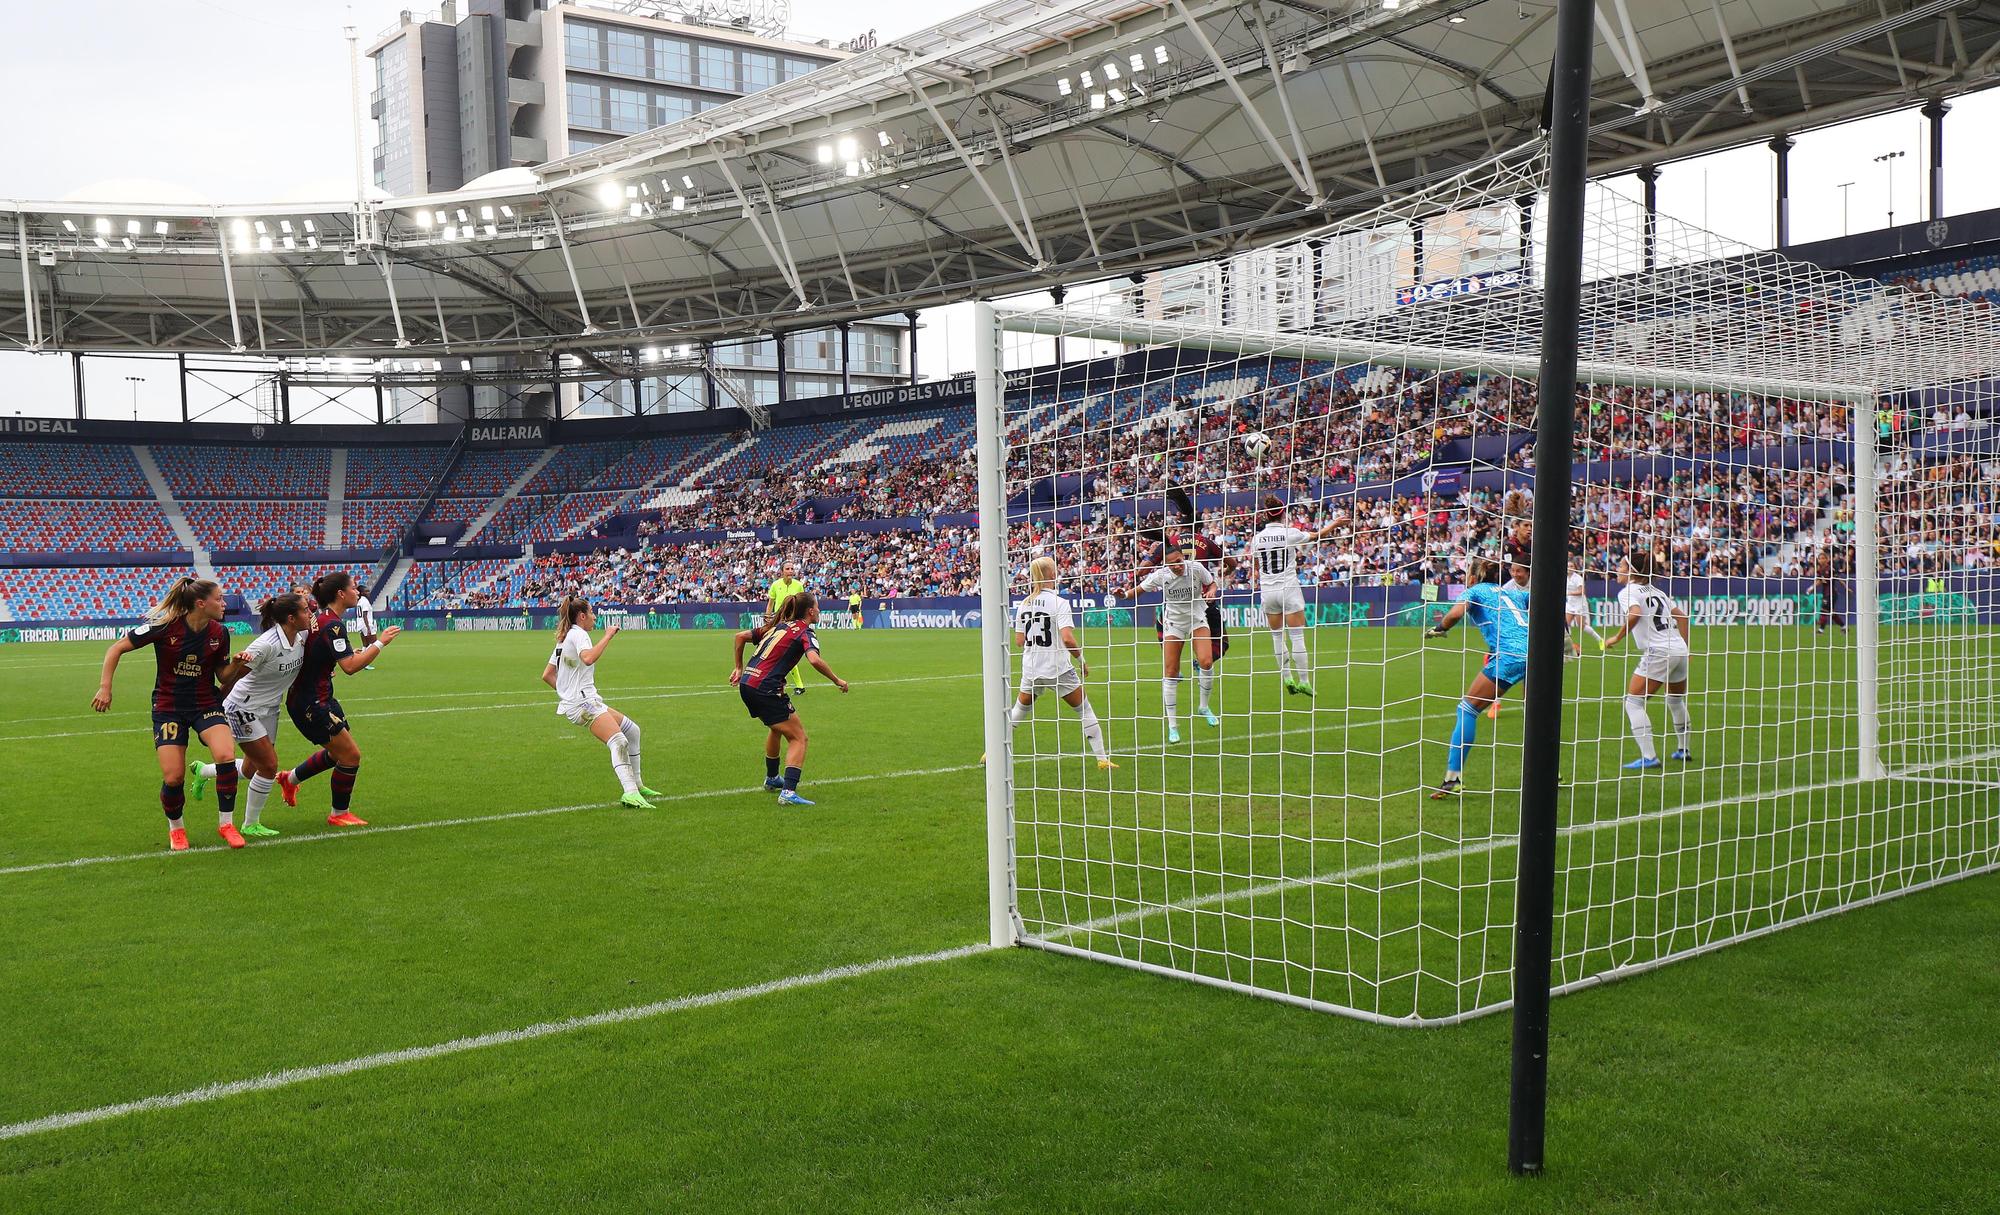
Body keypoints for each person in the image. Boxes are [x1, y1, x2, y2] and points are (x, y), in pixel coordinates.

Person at [90, 576, 244, 851]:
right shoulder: (164, 626)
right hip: (168, 709)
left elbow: (223, 675)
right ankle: (177, 829)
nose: (224, 603)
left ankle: (227, 824)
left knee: (225, 755)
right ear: (200, 603)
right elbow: (116, 648)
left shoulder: (220, 633)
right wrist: (105, 687)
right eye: (219, 598)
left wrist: (238, 667)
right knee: (174, 777)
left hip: (206, 704)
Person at [275, 571, 401, 826]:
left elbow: (319, 653)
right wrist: (380, 643)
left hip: (316, 697)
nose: (358, 592)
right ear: (341, 594)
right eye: (354, 588)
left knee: (337, 754)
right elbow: (351, 667)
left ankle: (289, 780)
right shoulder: (332, 624)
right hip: (312, 703)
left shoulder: (322, 620)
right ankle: (338, 814)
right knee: (351, 756)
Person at [187, 592, 314, 837]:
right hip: (243, 708)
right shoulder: (267, 644)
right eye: (305, 610)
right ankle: (250, 823)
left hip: (270, 709)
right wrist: (215, 708)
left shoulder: (301, 636)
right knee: (269, 765)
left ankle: (204, 771)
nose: (310, 613)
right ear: (291, 618)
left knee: (251, 769)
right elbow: (234, 675)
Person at [989, 556, 1116, 770]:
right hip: (1057, 668)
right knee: (1084, 710)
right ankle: (1102, 759)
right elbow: (1067, 638)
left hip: (1031, 668)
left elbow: (1019, 641)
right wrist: (1081, 660)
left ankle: (990, 753)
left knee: (1019, 710)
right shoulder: (1060, 603)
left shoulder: (1024, 604)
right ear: (1052, 575)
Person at [1423, 556, 1531, 799]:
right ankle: (1550, 773)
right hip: (1536, 652)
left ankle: (1453, 779)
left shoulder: (1475, 591)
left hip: (1510, 655)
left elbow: (1454, 614)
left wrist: (1440, 630)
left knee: (1467, 709)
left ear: (1472, 578)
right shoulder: (1513, 593)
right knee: (1535, 714)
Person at [731, 592, 849, 806]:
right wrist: (837, 679)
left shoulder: (778, 626)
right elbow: (814, 660)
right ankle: (788, 792)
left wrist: (739, 668)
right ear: (810, 611)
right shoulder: (805, 631)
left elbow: (740, 637)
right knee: (799, 738)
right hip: (766, 689)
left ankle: (772, 778)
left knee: (777, 728)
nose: (820, 611)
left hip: (748, 684)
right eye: (818, 608)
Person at [543, 595, 660, 808]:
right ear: (581, 616)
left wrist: (567, 695)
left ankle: (639, 784)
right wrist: (607, 636)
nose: (594, 617)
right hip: (583, 703)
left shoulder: (565, 638)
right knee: (618, 741)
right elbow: (588, 657)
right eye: (592, 613)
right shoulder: (579, 635)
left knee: (632, 731)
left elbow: (548, 674)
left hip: (585, 701)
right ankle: (630, 793)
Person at [1116, 539, 1218, 744]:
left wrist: (1212, 590)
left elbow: (1212, 582)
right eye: (1172, 564)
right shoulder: (1161, 576)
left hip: (1197, 618)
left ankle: (1204, 707)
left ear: (1184, 557)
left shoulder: (1196, 568)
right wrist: (1125, 594)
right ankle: (1173, 726)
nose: (1177, 566)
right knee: (1170, 672)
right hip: (1174, 623)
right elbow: (1140, 590)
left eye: (1179, 561)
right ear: (1166, 564)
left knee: (1206, 662)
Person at [1600, 552, 1695, 768]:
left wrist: (1616, 637)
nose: (1618, 570)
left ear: (1632, 570)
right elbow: (1682, 617)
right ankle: (1683, 750)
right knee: (1675, 700)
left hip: (1659, 651)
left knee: (1633, 703)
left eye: (1622, 566)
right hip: (1678, 649)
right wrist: (1685, 648)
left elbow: (1634, 614)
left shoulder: (1628, 592)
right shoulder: (1657, 591)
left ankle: (1649, 757)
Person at [1243, 495, 1340, 696]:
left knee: (1277, 637)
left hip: (1268, 591)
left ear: (1265, 515)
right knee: (1297, 637)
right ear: (1283, 514)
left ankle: (1287, 678)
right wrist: (1334, 524)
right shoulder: (1290, 533)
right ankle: (1304, 681)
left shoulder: (1257, 539)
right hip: (1288, 588)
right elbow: (1316, 535)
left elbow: (1255, 564)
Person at [766, 561, 809, 696]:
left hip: (793, 623)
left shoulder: (798, 585)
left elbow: (803, 604)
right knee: (780, 653)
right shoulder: (775, 585)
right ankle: (795, 685)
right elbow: (770, 603)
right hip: (779, 622)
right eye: (788, 569)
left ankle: (794, 685)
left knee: (786, 653)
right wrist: (767, 618)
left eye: (792, 569)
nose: (790, 571)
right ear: (782, 571)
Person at [1565, 564, 1605, 659]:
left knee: (1581, 626)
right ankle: (1570, 647)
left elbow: (1582, 591)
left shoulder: (1578, 578)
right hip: (1570, 603)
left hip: (1580, 603)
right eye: (1568, 566)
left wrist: (1569, 593)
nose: (1569, 567)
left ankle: (1600, 640)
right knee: (1566, 624)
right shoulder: (1565, 577)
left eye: (1571, 566)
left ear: (1574, 568)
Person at [353, 589, 380, 669]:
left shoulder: (359, 601)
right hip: (366, 624)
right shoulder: (365, 601)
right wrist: (368, 627)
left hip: (360, 624)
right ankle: (363, 662)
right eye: (366, 591)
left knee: (365, 644)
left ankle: (361, 662)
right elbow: (365, 614)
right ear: (362, 593)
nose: (368, 593)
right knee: (374, 642)